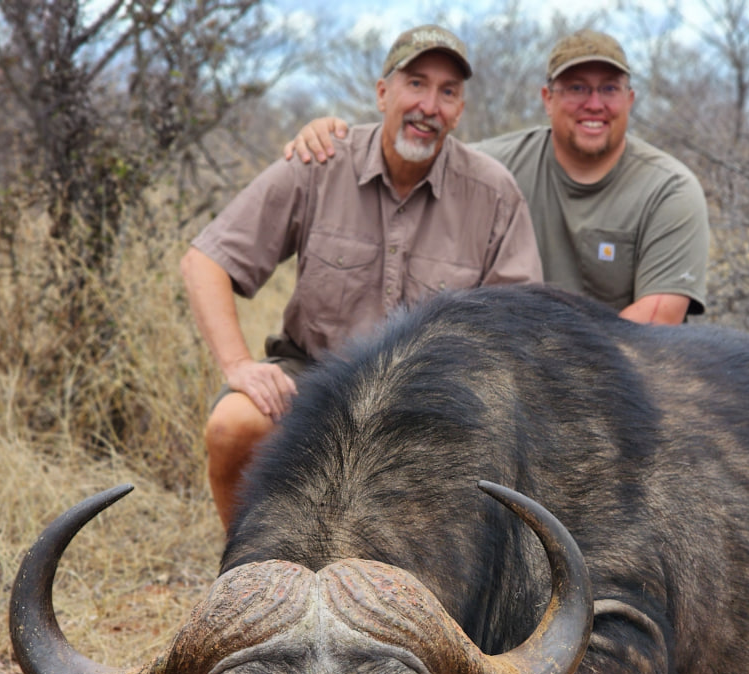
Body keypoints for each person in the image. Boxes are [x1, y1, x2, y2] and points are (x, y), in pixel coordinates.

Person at [184, 25, 542, 529]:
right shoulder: (320, 160)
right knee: (233, 427)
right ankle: (248, 580)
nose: (429, 106)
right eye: (415, 83)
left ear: (460, 110)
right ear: (382, 93)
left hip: (432, 394)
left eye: (447, 92)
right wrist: (239, 364)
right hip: (314, 377)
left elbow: (519, 327)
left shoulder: (493, 191)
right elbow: (205, 262)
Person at [287, 28, 709, 326]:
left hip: (628, 378)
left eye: (609, 89)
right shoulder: (495, 168)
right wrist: (334, 136)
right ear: (547, 99)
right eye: (576, 88)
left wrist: (564, 377)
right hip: (520, 374)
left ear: (630, 99)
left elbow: (660, 318)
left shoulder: (669, 189)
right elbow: (416, 149)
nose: (593, 103)